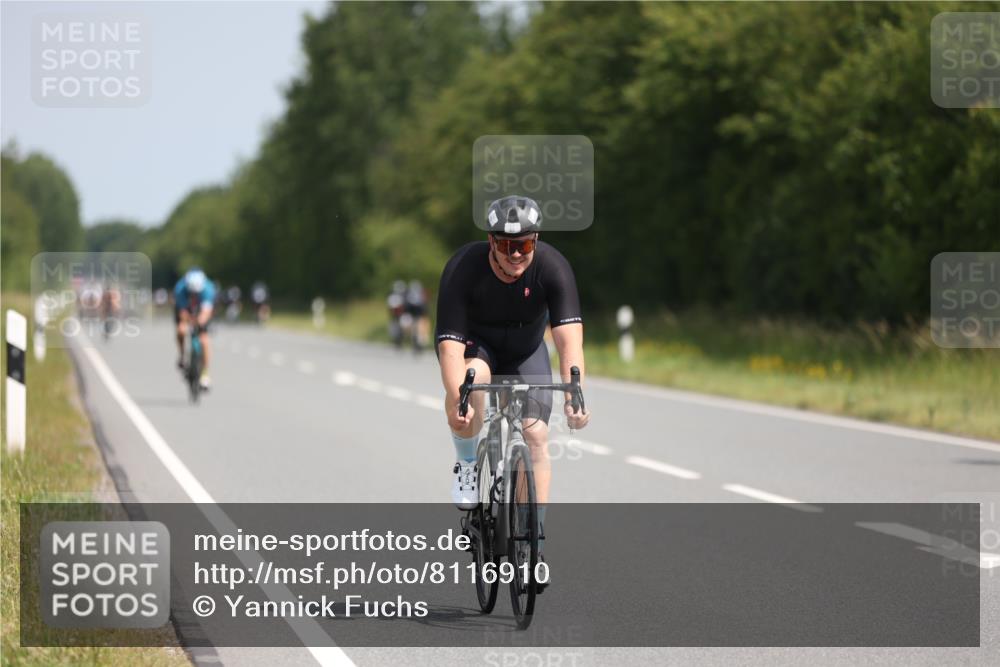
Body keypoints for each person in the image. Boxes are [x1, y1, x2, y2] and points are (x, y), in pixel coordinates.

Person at [435, 195, 591, 561]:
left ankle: (533, 540)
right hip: (477, 346)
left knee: (536, 435)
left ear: (535, 240)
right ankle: (468, 464)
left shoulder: (553, 267)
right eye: (507, 245)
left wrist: (575, 396)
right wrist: (459, 400)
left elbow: (569, 341)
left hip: (526, 350)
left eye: (524, 245)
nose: (516, 254)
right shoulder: (463, 267)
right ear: (491, 241)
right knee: (472, 380)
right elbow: (450, 350)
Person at [174, 268, 216, 389]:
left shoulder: (208, 289)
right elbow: (182, 312)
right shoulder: (180, 289)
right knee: (181, 330)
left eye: (196, 293)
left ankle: (205, 374)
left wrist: (199, 321)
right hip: (186, 310)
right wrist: (188, 322)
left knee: (204, 340)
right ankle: (182, 356)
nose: (194, 295)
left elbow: (206, 312)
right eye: (192, 293)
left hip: (202, 310)